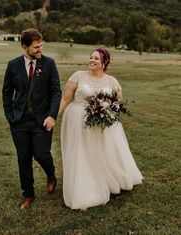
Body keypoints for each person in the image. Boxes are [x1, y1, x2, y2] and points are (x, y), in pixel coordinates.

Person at [59, 48, 143, 210]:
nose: (91, 60)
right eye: (90, 57)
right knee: (82, 152)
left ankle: (107, 179)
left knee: (103, 152)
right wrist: (53, 116)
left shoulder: (112, 81)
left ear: (104, 62)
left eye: (96, 58)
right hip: (77, 121)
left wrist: (107, 111)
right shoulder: (78, 76)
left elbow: (117, 103)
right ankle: (85, 185)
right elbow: (65, 99)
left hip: (102, 123)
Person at [2, 28, 61, 210]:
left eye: (41, 46)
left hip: (42, 120)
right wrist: (10, 117)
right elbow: (6, 93)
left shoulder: (49, 64)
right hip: (19, 122)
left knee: (41, 154)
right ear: (24, 47)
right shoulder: (13, 65)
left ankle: (51, 175)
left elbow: (55, 92)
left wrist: (52, 116)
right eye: (36, 47)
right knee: (23, 158)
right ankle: (28, 195)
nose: (40, 50)